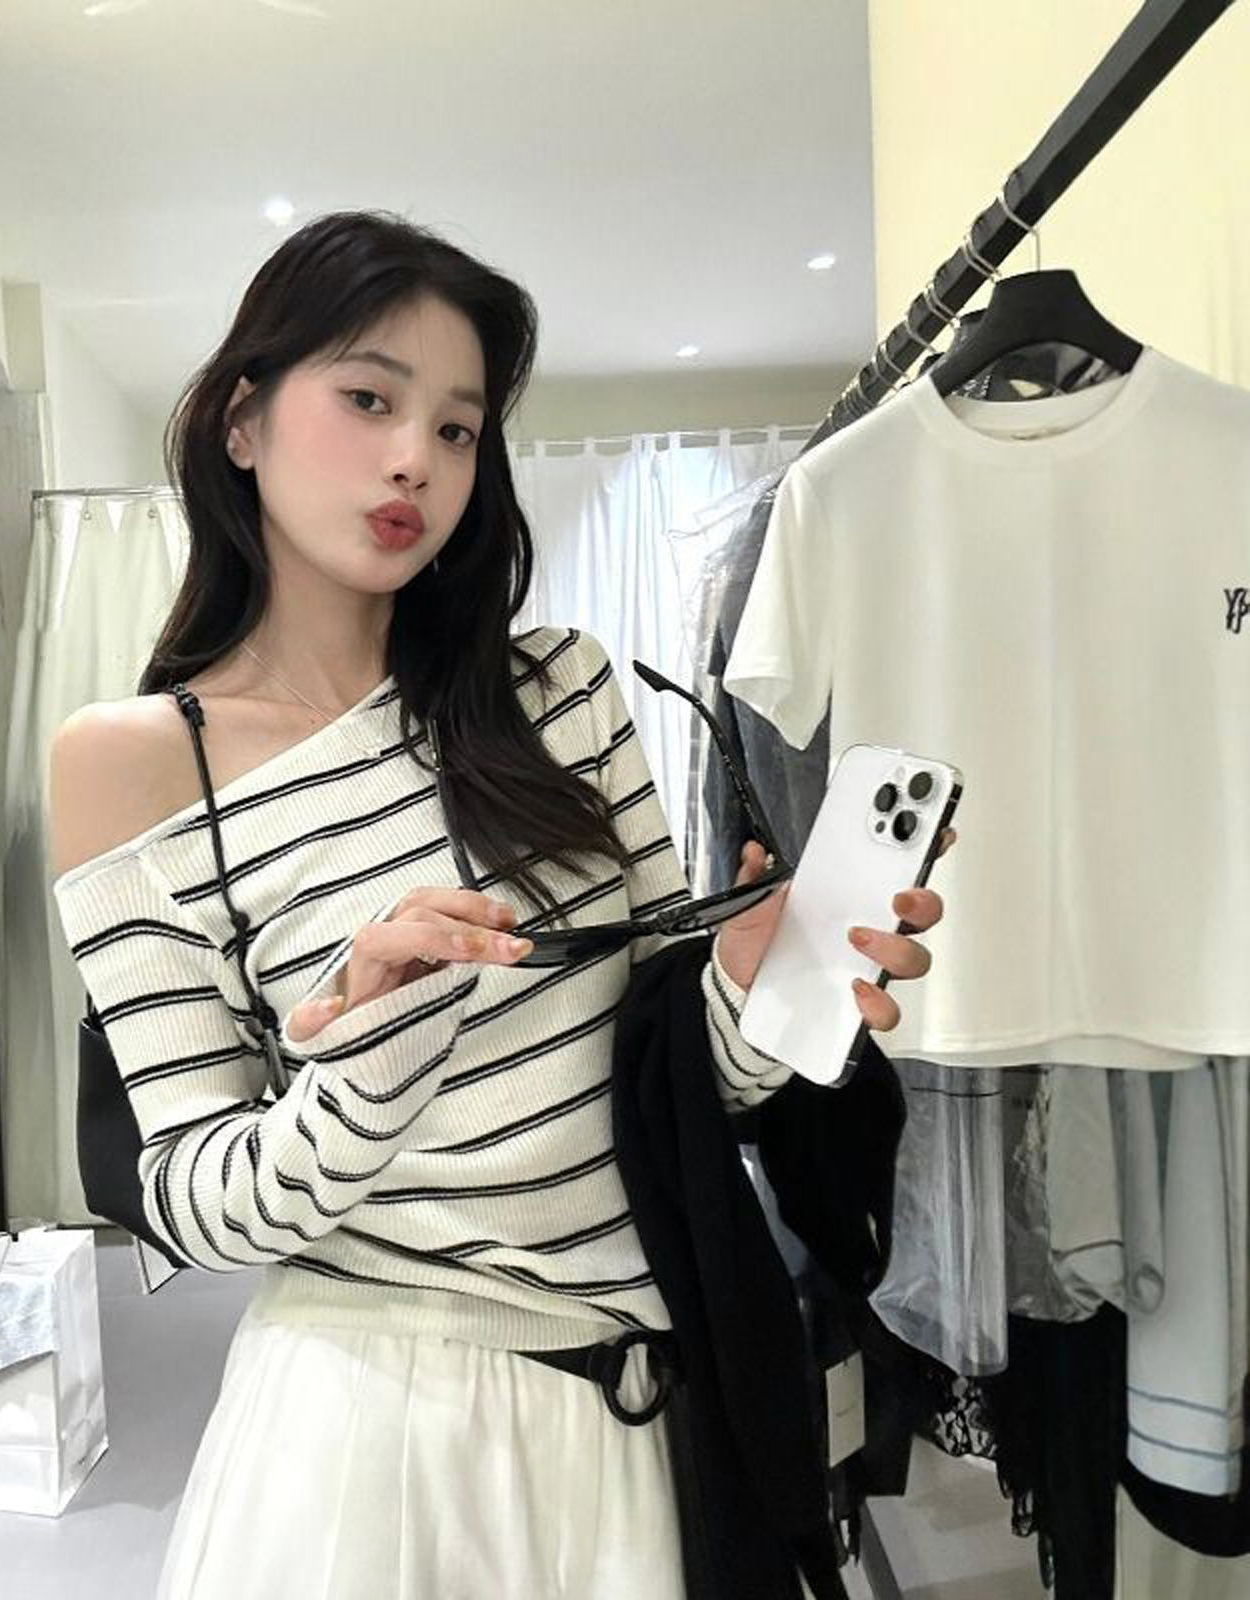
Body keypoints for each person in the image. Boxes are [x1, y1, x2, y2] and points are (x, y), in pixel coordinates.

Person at [48, 210, 952, 1599]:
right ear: (241, 420)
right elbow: (187, 1201)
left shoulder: (560, 692)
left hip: (629, 1417)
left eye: (459, 428)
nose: (417, 457)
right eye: (369, 399)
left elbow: (671, 1088)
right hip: (365, 1430)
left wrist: (757, 989)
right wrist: (366, 1063)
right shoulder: (134, 763)